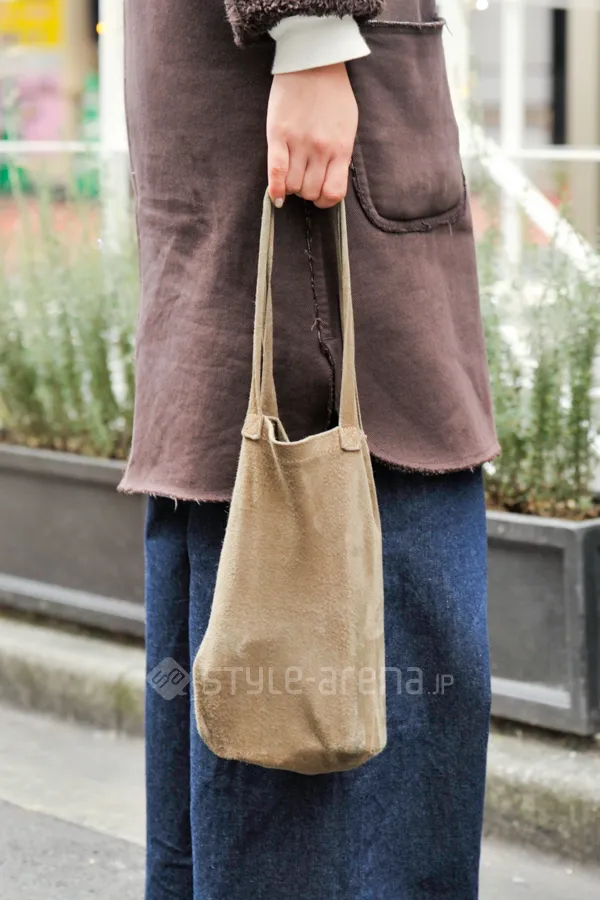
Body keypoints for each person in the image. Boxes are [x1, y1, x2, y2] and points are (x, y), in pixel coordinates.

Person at [120, 0, 499, 897]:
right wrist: (310, 31)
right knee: (346, 591)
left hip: (262, 90)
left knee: (243, 592)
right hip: (308, 90)